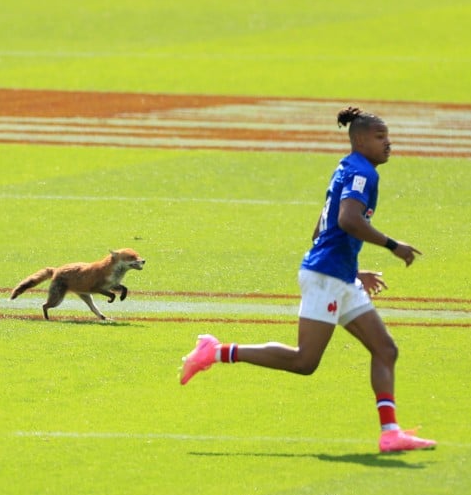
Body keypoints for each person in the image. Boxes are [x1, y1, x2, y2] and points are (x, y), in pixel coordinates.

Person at [178, 106, 436, 453]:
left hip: (336, 275)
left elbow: (322, 227)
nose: (389, 143)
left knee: (385, 349)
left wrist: (350, 269)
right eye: (380, 137)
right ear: (359, 140)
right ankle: (216, 351)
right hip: (327, 277)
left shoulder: (347, 167)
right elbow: (347, 220)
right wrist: (393, 245)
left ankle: (390, 433)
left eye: (388, 136)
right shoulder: (363, 173)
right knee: (304, 362)